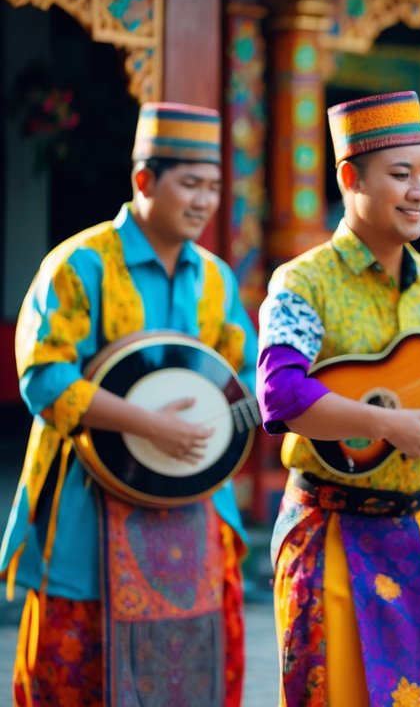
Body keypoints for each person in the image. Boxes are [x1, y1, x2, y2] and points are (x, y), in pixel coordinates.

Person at [256, 90, 420, 706]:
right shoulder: (303, 281)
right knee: (339, 689)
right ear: (350, 178)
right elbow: (280, 393)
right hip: (330, 518)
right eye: (401, 175)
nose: (419, 192)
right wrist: (384, 423)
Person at [2, 103, 254, 705]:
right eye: (190, 184)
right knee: (72, 673)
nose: (204, 201)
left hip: (195, 502)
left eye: (214, 187)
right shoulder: (80, 265)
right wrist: (145, 423)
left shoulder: (216, 279)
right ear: (144, 180)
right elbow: (43, 377)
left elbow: (245, 377)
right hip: (87, 506)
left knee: (204, 671)